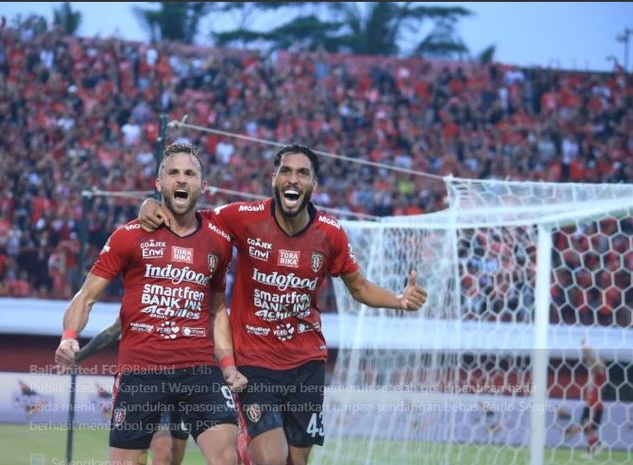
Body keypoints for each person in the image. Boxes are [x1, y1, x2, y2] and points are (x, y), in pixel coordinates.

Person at [139, 144, 428, 465]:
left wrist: (399, 301)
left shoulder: (330, 235)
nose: (293, 179)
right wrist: (150, 203)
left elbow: (359, 287)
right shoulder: (244, 218)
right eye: (286, 171)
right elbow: (191, 216)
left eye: (302, 173)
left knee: (296, 461)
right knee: (272, 459)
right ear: (274, 179)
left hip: (307, 363)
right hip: (254, 363)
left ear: (313, 185)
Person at [55, 143, 247, 465]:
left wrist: (228, 366)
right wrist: (70, 336)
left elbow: (216, 310)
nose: (181, 180)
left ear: (203, 185)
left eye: (190, 173)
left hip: (197, 369)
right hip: (141, 371)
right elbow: (86, 296)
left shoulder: (218, 241)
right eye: (173, 173)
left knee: (227, 457)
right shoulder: (129, 235)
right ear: (159, 184)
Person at [75, 318, 189, 465]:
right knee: (163, 453)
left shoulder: (194, 299)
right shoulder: (139, 301)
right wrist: (79, 356)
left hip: (185, 381)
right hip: (148, 382)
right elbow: (113, 330)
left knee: (175, 457)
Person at [564, 340, 607, 458]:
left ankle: (596, 445)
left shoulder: (600, 373)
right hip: (590, 404)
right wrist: (585, 351)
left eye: (600, 362)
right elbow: (590, 362)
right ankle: (593, 448)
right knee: (587, 429)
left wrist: (586, 348)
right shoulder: (593, 372)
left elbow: (593, 362)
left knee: (587, 426)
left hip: (595, 405)